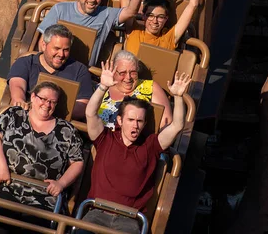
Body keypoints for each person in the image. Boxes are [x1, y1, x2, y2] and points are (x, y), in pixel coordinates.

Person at [81, 62, 191, 233]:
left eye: (139, 121)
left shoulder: (150, 146)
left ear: (145, 123)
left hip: (128, 219)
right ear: (120, 121)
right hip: (97, 212)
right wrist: (103, 86)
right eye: (131, 120)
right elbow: (90, 113)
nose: (135, 126)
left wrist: (177, 96)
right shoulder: (105, 139)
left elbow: (177, 126)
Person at [0, 82, 84, 233]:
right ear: (32, 97)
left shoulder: (67, 131)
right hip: (9, 186)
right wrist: (2, 167)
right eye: (43, 99)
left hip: (44, 198)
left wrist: (61, 184)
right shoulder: (13, 114)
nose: (47, 104)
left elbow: (77, 162)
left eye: (52, 102)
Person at [38, 0, 153, 66]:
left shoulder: (106, 14)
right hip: (52, 65)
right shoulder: (60, 9)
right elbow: (42, 42)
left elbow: (130, 12)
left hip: (83, 71)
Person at [7, 24, 93, 120]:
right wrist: (19, 100)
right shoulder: (25, 63)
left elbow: (84, 106)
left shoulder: (80, 70)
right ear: (44, 45)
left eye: (66, 50)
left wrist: (48, 109)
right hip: (26, 118)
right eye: (56, 48)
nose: (61, 54)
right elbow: (17, 85)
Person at [96, 50, 172, 129]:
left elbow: (167, 122)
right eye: (123, 73)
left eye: (133, 72)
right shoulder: (103, 88)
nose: (128, 77)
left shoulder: (151, 87)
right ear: (114, 72)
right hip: (100, 137)